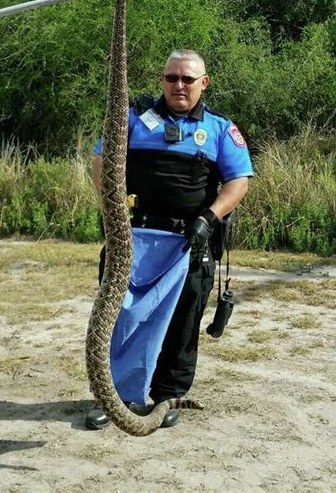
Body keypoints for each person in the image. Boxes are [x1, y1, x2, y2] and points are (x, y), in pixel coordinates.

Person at [86, 49, 253, 430]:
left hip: (188, 243)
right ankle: (117, 398)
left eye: (188, 79)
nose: (179, 85)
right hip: (132, 240)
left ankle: (167, 395)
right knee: (120, 318)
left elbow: (238, 181)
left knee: (182, 323)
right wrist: (112, 211)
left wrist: (209, 218)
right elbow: (101, 162)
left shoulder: (219, 129)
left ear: (203, 83)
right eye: (171, 78)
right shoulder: (132, 119)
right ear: (162, 80)